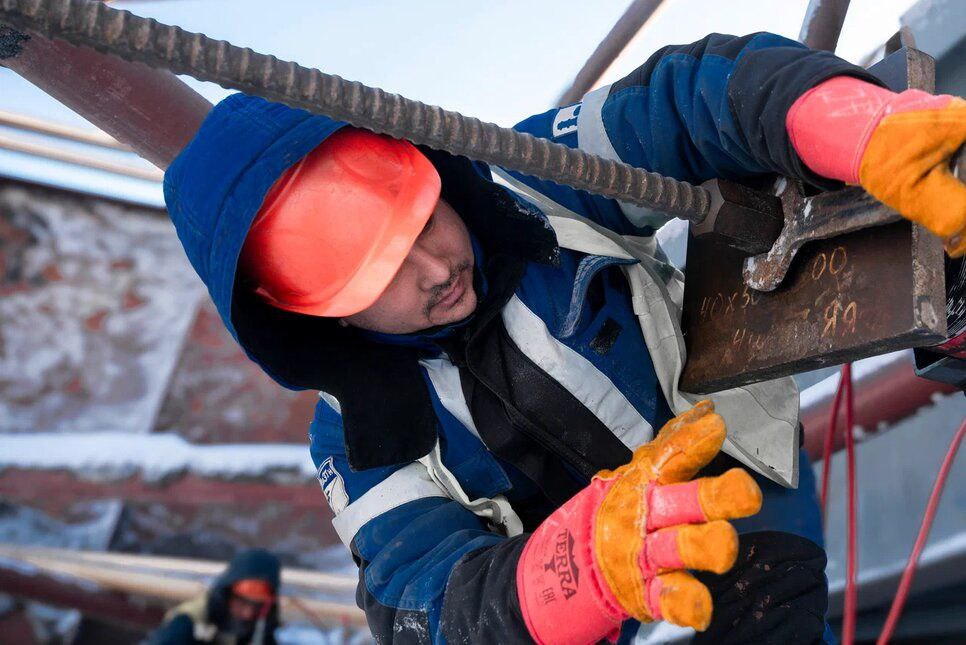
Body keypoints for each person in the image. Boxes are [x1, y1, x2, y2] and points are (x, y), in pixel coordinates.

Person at [162, 32, 965, 643]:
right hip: (601, 610)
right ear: (314, 314)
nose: (438, 267)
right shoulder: (359, 438)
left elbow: (680, 105)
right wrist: (573, 572)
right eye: (378, 277)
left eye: (423, 218)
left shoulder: (533, 183)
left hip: (745, 486)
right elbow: (417, 596)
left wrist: (827, 113)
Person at [148, 549, 281, 645]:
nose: (248, 613)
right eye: (242, 602)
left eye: (257, 607)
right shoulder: (189, 619)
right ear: (227, 594)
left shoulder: (260, 628)